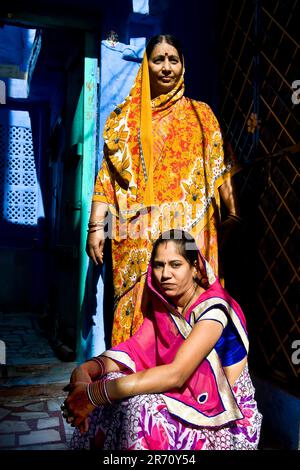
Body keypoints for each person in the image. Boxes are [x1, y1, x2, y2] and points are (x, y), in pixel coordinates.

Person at [87, 34, 242, 346]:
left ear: (183, 66)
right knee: (139, 315)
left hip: (189, 230)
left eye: (174, 59)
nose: (166, 67)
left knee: (187, 305)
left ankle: (185, 379)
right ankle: (136, 380)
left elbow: (219, 166)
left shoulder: (201, 115)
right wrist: (94, 228)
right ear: (146, 65)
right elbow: (107, 179)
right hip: (136, 237)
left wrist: (233, 212)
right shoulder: (123, 120)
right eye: (158, 60)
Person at [62, 230, 262, 450]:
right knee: (112, 387)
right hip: (184, 400)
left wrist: (94, 394)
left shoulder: (214, 310)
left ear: (195, 267)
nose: (165, 274)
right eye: (158, 265)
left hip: (225, 418)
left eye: (175, 265)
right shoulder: (166, 309)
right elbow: (133, 351)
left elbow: (176, 374)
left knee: (140, 408)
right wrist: (86, 372)